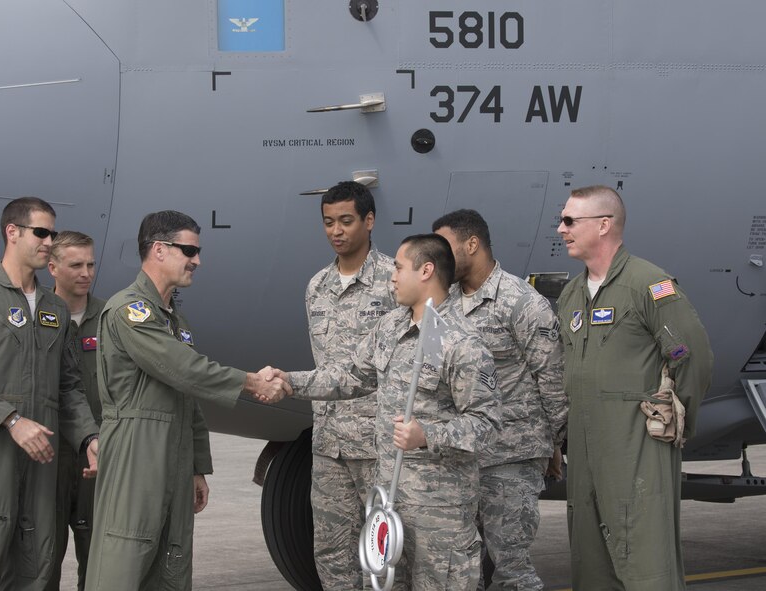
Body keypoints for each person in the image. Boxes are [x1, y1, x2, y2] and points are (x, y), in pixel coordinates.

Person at [265, 233, 501, 590]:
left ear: (426, 271)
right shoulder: (390, 328)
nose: (391, 276)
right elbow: (349, 377)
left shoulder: (461, 340)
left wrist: (428, 435)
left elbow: (487, 423)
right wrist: (288, 382)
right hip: (391, 506)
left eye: (399, 267)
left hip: (440, 515)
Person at [83, 210, 290, 591]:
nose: (197, 260)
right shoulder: (131, 310)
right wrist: (250, 382)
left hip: (173, 454)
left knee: (172, 557)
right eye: (189, 250)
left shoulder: (173, 320)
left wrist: (197, 467)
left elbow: (189, 399)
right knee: (126, 553)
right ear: (159, 250)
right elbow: (183, 369)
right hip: (136, 448)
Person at [0, 197, 100, 591]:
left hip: (43, 459)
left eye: (53, 234)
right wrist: (10, 420)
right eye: (41, 233)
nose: (49, 242)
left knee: (39, 563)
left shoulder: (54, 310)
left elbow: (68, 386)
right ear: (12, 232)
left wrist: (90, 438)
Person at [555, 185, 712, 590]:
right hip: (585, 452)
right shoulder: (572, 295)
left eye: (570, 220)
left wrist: (678, 419)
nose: (561, 229)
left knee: (646, 560)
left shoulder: (648, 285)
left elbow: (691, 353)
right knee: (589, 564)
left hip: (636, 447)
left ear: (604, 225)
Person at [433, 209, 568, 591]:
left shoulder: (522, 302)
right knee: (462, 570)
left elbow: (553, 383)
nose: (438, 257)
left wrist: (551, 446)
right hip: (462, 456)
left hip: (511, 457)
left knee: (512, 569)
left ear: (472, 244)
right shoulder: (445, 302)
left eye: (446, 247)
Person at [305, 181, 397, 589]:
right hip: (329, 444)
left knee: (385, 549)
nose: (336, 231)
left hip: (379, 443)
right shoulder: (316, 287)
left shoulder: (396, 280)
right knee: (331, 549)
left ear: (369, 220)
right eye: (328, 223)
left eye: (345, 221)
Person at [46, 231, 105, 591]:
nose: (86, 273)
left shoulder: (111, 318)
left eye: (91, 264)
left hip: (95, 455)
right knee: (42, 558)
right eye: (76, 265)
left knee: (97, 555)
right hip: (49, 456)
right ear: (52, 268)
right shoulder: (38, 317)